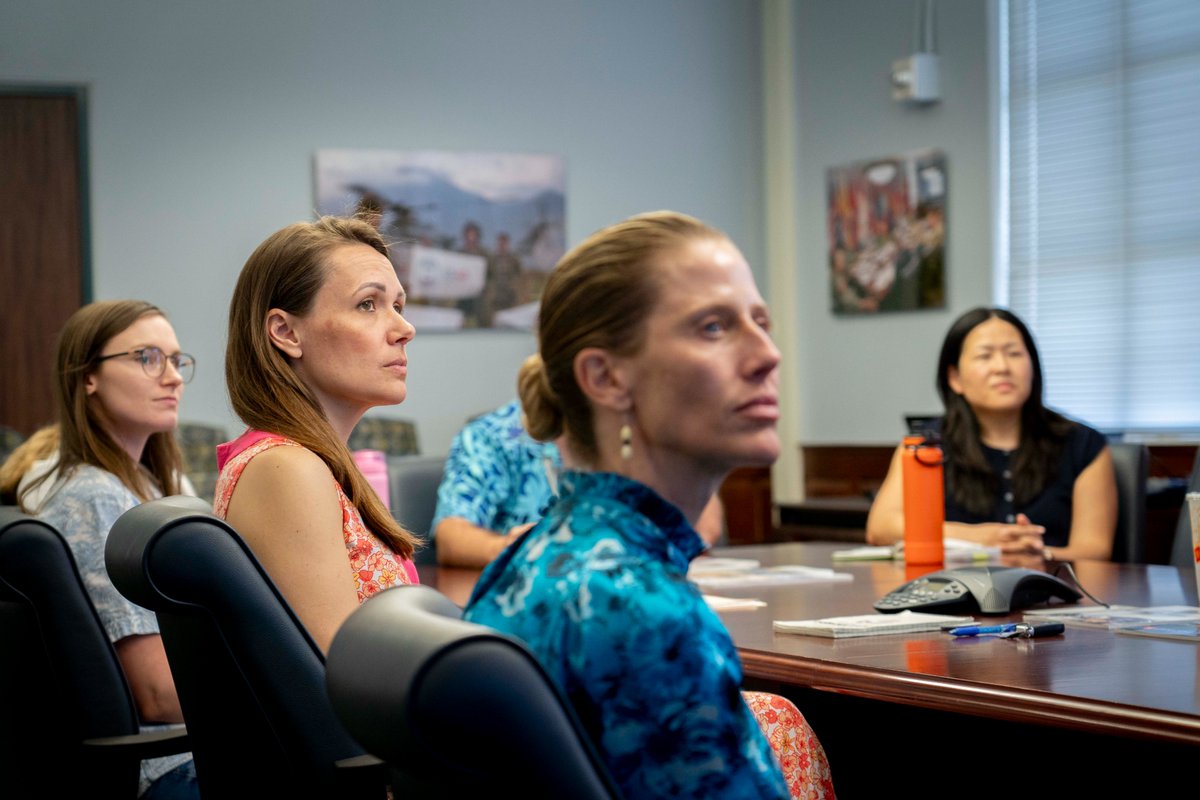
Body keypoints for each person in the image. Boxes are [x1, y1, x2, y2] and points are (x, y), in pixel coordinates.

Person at [464, 211, 834, 799]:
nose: (768, 354)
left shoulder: (552, 548)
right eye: (714, 327)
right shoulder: (642, 611)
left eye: (760, 321)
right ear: (606, 378)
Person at [0, 300, 198, 799]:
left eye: (177, 360)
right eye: (148, 358)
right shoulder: (95, 498)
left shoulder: (146, 485)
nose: (172, 377)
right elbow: (155, 694)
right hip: (169, 764)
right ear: (88, 376)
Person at [215, 215, 420, 653]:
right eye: (368, 304)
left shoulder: (305, 461)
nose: (405, 329)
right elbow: (338, 683)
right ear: (286, 332)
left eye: (398, 307)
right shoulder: (285, 469)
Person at [866, 306, 1117, 561]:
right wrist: (979, 538)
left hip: (1056, 591)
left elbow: (1095, 550)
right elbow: (881, 528)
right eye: (985, 356)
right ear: (955, 378)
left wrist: (1040, 554)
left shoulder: (1084, 445)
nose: (1002, 367)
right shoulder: (926, 444)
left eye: (1014, 353)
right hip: (953, 593)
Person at [432, 399, 728, 568]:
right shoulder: (493, 436)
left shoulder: (636, 428)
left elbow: (704, 530)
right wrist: (516, 547)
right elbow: (451, 536)